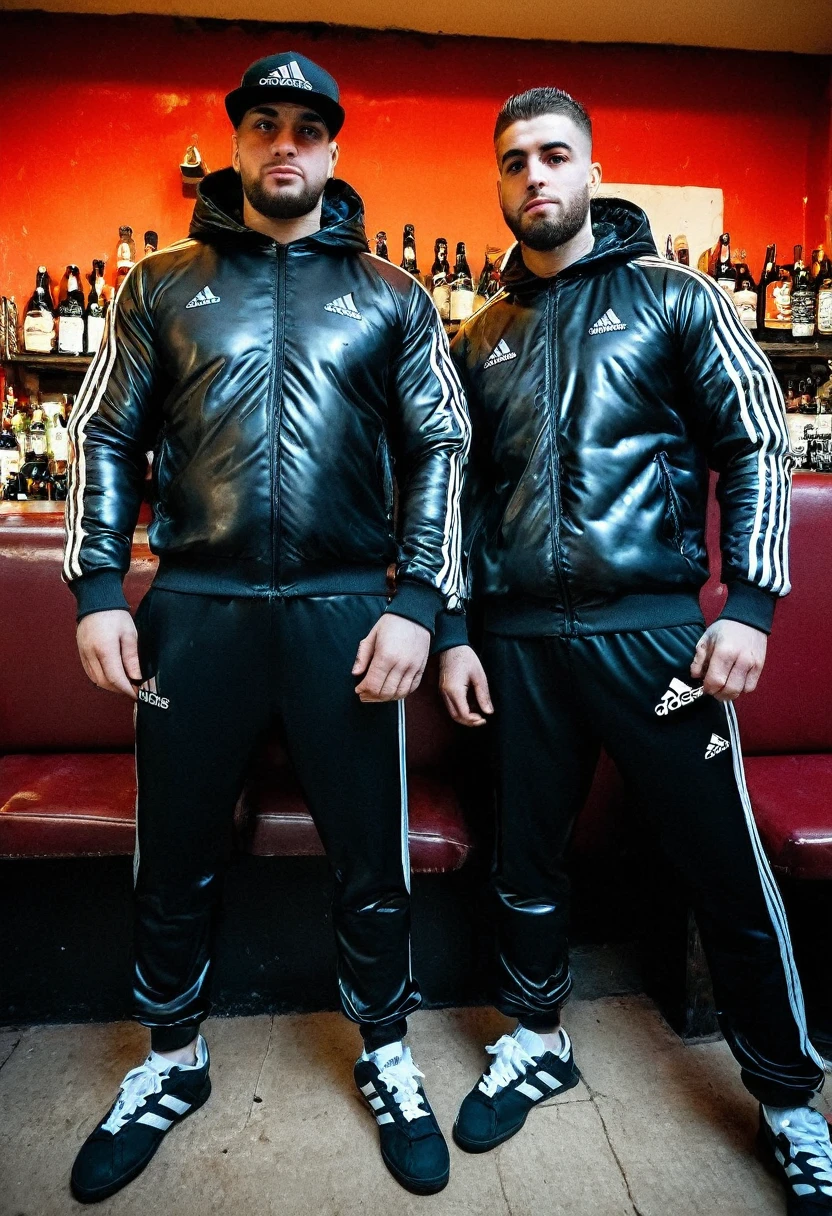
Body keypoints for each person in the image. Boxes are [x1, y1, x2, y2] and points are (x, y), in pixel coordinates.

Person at [65, 51, 468, 1203]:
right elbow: (104, 435)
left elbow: (440, 447)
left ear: (333, 149)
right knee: (175, 852)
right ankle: (170, 1057)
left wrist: (416, 603)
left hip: (347, 609)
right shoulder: (160, 286)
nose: (284, 144)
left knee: (370, 855)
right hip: (199, 608)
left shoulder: (391, 294)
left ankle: (385, 1049)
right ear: (236, 142)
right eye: (263, 125)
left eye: (305, 128)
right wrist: (99, 588)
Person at [437, 86, 832, 1213]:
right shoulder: (482, 335)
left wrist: (748, 605)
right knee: (525, 861)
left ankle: (789, 1099)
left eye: (555, 154)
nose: (535, 175)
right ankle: (535, 1037)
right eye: (514, 160)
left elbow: (756, 439)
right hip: (518, 643)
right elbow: (456, 495)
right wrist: (455, 629)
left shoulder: (675, 298)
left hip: (654, 639)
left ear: (592, 172)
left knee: (722, 865)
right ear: (499, 181)